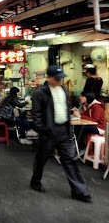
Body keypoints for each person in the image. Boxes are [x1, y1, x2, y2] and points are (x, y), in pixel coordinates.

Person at [30, 65, 92, 202]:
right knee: (41, 159)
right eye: (56, 78)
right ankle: (35, 181)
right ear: (49, 78)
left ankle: (79, 191)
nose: (59, 81)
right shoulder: (40, 93)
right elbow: (36, 115)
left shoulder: (63, 90)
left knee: (70, 160)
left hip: (64, 131)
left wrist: (69, 129)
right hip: (48, 132)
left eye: (61, 78)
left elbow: (66, 108)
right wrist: (42, 130)